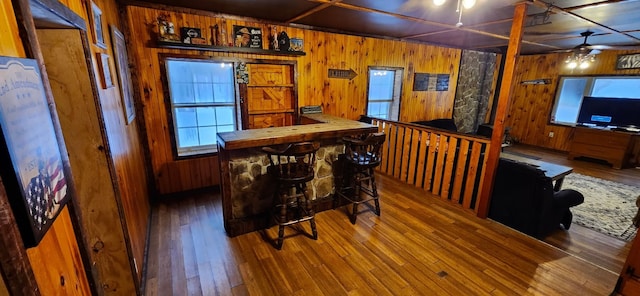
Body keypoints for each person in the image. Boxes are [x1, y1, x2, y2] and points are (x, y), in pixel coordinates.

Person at [26, 161, 53, 230]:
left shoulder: (48, 181)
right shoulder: (35, 182)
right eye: (43, 169)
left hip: (49, 215)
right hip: (40, 215)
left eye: (46, 169)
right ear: (40, 170)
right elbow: (30, 200)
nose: (45, 171)